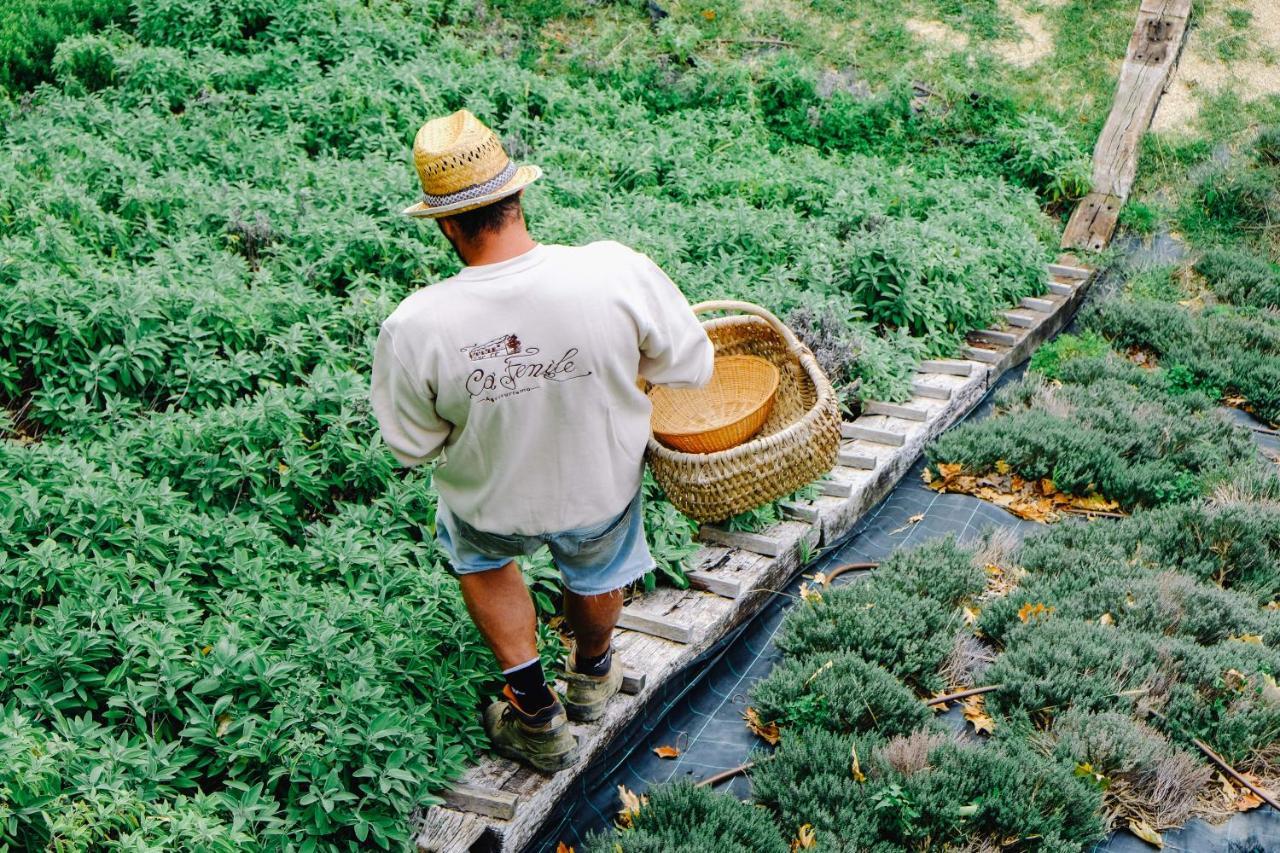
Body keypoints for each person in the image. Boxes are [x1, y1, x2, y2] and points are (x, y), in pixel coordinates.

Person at [370, 110, 714, 773]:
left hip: (491, 498)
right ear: (518, 196)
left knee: (479, 554)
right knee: (597, 555)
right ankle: (592, 674)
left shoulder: (413, 324)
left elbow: (412, 445)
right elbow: (692, 366)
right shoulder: (614, 271)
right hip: (599, 484)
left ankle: (536, 714)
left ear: (445, 223)